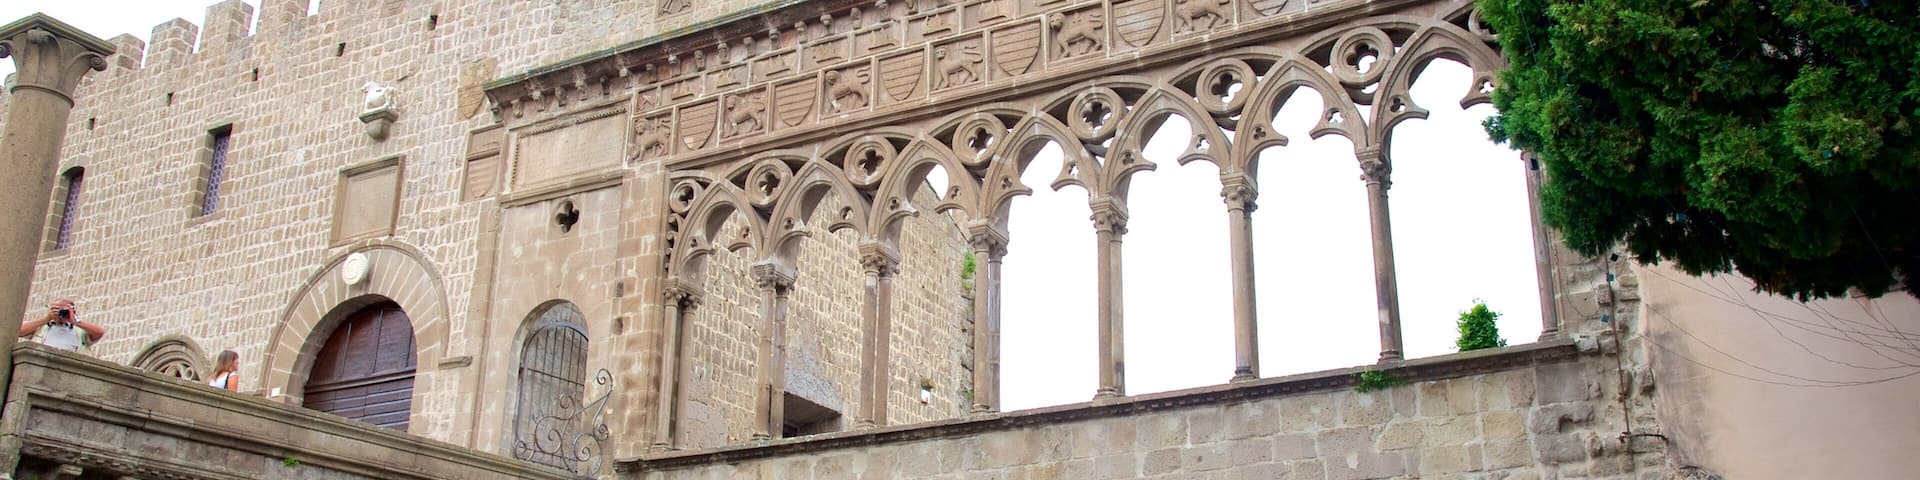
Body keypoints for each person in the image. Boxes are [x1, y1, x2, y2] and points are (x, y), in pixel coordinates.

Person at [18, 298, 105, 354]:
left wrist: (75, 321)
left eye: (63, 310)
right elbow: (18, 331)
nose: (60, 314)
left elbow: (99, 332)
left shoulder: (79, 331)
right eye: (56, 309)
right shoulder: (41, 327)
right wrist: (47, 318)